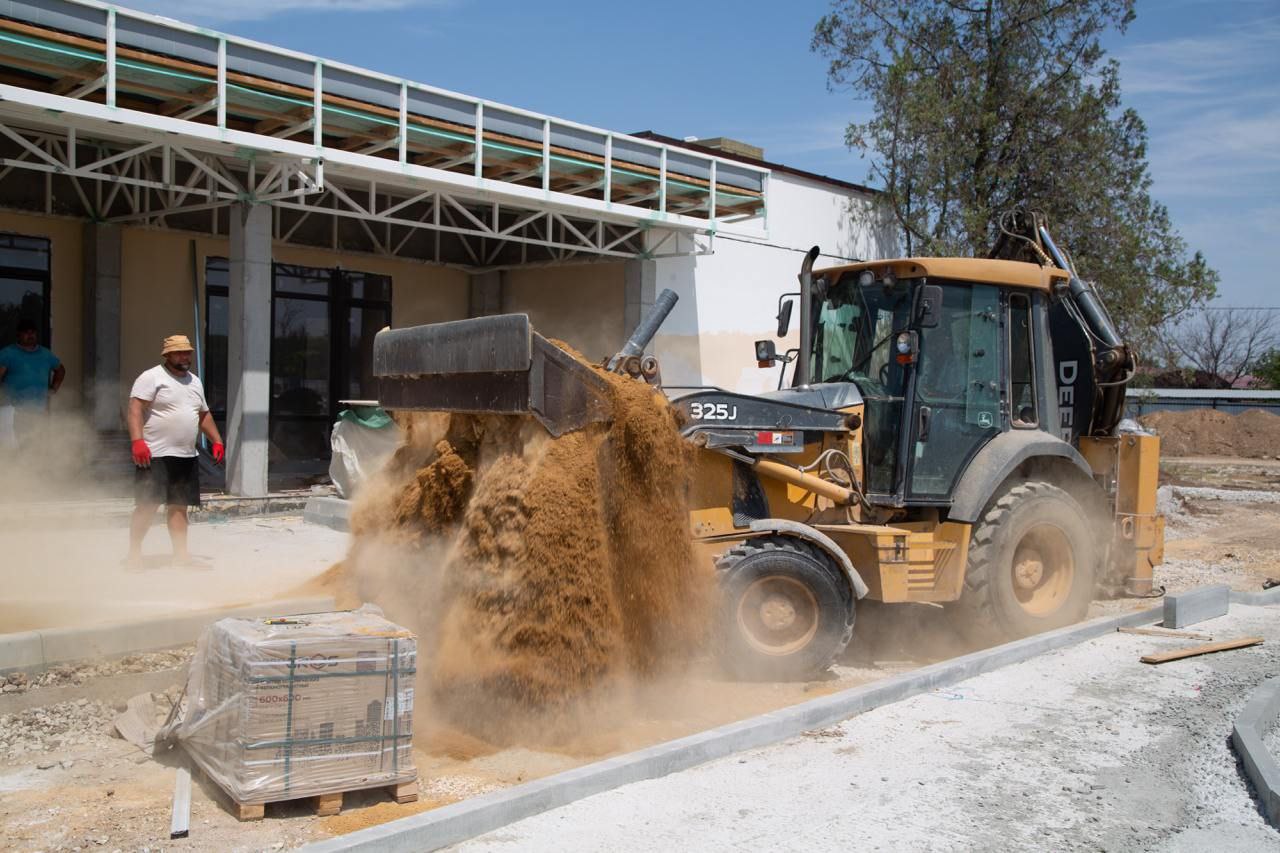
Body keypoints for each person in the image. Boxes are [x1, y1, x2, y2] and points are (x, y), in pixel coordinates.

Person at [126, 334, 224, 568]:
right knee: (148, 506)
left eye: (187, 352)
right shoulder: (151, 377)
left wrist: (217, 440)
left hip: (186, 456)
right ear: (167, 355)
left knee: (179, 506)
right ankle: (134, 554)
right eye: (179, 352)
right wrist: (137, 441)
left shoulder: (195, 382)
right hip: (156, 455)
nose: (185, 356)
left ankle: (180, 555)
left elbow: (203, 414)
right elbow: (135, 409)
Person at [0, 318, 65, 443]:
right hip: (15, 412)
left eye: (33, 332)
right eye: (26, 332)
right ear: (18, 335)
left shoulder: (46, 354)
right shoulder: (8, 353)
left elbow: (60, 370)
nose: (30, 335)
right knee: (16, 447)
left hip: (39, 412)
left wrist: (53, 389)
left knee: (36, 447)